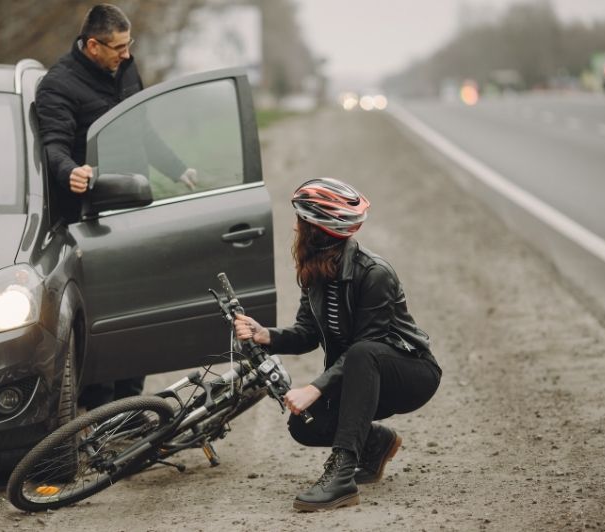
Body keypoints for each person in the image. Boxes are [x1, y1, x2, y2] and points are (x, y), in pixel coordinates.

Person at [233, 178, 442, 512]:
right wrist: (266, 335)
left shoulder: (374, 273)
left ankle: (342, 477)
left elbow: (369, 345)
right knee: (303, 425)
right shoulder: (316, 270)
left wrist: (314, 388)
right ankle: (375, 443)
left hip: (409, 374)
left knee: (362, 352)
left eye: (301, 221)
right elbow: (307, 333)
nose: (295, 227)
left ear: (318, 230)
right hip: (361, 373)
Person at [35, 4, 196, 410]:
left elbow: (142, 130)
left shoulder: (125, 69)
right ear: (93, 45)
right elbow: (53, 145)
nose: (127, 54)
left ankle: (132, 407)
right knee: (102, 317)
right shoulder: (58, 85)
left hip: (134, 212)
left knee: (137, 309)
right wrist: (69, 171)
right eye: (119, 47)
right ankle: (100, 412)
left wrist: (177, 168)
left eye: (129, 44)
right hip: (93, 221)